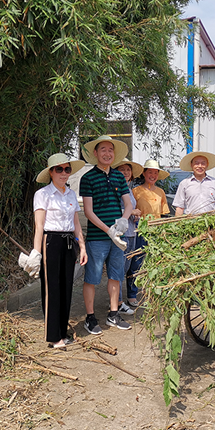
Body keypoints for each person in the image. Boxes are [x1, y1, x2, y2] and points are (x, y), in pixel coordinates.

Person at [22, 153, 87, 348]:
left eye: (67, 169)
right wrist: (36, 253)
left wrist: (82, 246)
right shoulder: (42, 194)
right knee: (52, 288)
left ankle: (63, 331)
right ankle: (53, 336)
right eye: (59, 169)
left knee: (67, 287)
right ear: (51, 172)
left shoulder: (70, 194)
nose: (64, 173)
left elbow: (76, 223)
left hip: (69, 242)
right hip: (50, 241)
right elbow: (39, 226)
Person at [79, 135, 135, 334]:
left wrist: (123, 220)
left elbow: (127, 204)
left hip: (117, 238)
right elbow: (88, 211)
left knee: (115, 276)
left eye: (110, 150)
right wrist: (108, 230)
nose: (107, 153)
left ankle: (113, 313)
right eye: (103, 149)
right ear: (95, 153)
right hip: (98, 237)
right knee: (92, 278)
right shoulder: (88, 178)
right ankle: (90, 317)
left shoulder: (119, 176)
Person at [112, 158, 144, 311]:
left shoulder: (129, 189)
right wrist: (132, 211)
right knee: (119, 269)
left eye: (128, 170)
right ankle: (117, 303)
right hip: (122, 234)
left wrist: (135, 214)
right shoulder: (115, 188)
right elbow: (114, 208)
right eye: (121, 169)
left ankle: (121, 300)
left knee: (128, 268)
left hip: (132, 233)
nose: (125, 172)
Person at [172, 150, 215, 216]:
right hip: (190, 222)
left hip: (211, 221)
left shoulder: (214, 183)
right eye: (196, 163)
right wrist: (178, 224)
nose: (200, 166)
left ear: (207, 165)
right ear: (191, 165)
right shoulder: (184, 184)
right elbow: (179, 207)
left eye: (203, 163)